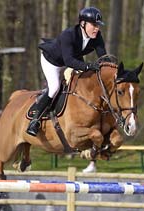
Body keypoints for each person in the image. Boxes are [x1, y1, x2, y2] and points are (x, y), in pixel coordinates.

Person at [26, 7, 107, 136]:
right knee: (55, 87)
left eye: (98, 25)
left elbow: (103, 57)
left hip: (71, 59)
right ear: (83, 24)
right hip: (52, 61)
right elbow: (69, 61)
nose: (96, 28)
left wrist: (110, 68)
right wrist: (88, 66)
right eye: (94, 25)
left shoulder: (97, 37)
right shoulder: (69, 35)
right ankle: (35, 121)